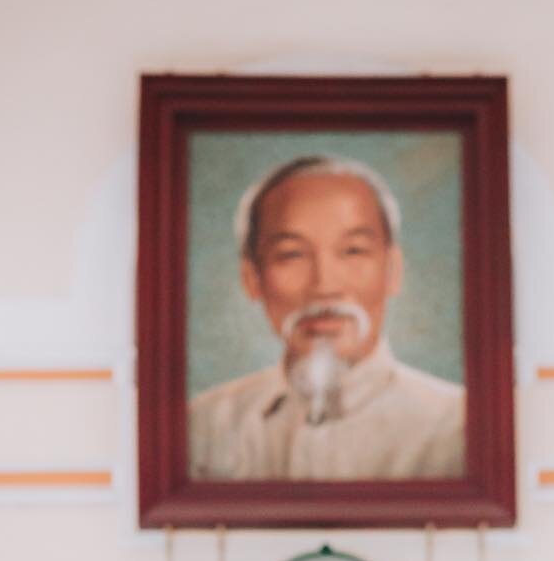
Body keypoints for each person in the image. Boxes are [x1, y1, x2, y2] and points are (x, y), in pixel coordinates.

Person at [187, 154, 466, 481]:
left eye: (353, 251)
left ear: (393, 271)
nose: (325, 286)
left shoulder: (458, 426)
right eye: (292, 254)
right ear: (252, 278)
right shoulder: (202, 426)